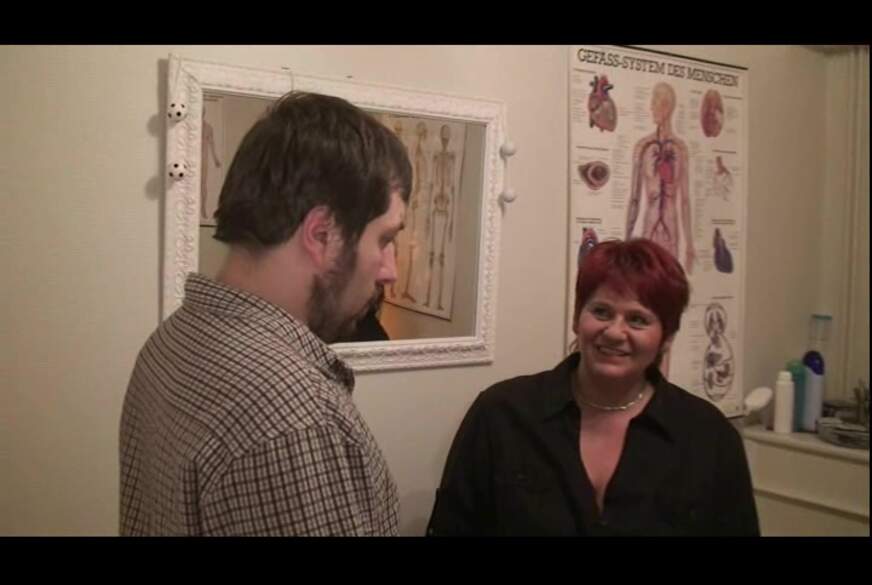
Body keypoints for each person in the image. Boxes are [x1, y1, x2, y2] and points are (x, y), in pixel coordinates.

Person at [120, 91, 412, 535]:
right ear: (323, 234)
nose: (390, 271)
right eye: (385, 239)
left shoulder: (170, 343)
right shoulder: (294, 419)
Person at [427, 238, 759, 536]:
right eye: (601, 311)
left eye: (637, 319)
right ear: (577, 318)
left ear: (667, 337)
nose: (614, 332)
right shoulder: (501, 415)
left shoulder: (709, 436)